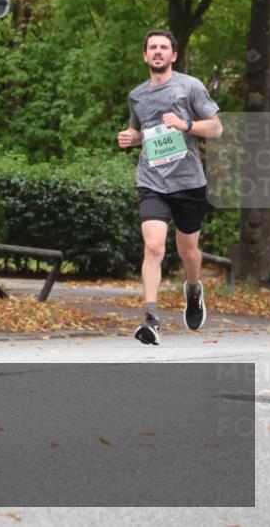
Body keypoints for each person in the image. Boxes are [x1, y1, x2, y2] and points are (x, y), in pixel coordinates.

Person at [117, 30, 223, 345]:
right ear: (145, 56)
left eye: (164, 47)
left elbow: (217, 127)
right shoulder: (137, 95)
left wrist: (186, 125)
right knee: (153, 246)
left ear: (173, 55)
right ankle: (150, 318)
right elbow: (141, 132)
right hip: (152, 181)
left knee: (187, 251)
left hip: (189, 183)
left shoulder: (190, 87)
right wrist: (129, 137)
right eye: (153, 47)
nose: (159, 52)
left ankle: (193, 290)